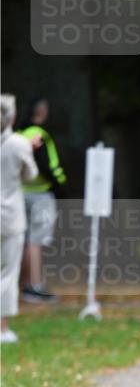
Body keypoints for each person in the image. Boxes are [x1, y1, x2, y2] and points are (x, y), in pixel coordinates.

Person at [17, 97, 66, 304]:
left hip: (21, 194)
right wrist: (60, 183)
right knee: (36, 242)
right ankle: (34, 287)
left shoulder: (18, 136)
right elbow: (47, 165)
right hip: (41, 194)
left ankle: (25, 285)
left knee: (24, 240)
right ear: (42, 111)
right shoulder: (39, 136)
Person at [1, 94, 38, 343]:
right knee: (7, 272)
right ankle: (2, 328)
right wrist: (29, 148)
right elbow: (30, 175)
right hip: (10, 216)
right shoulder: (18, 143)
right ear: (12, 117)